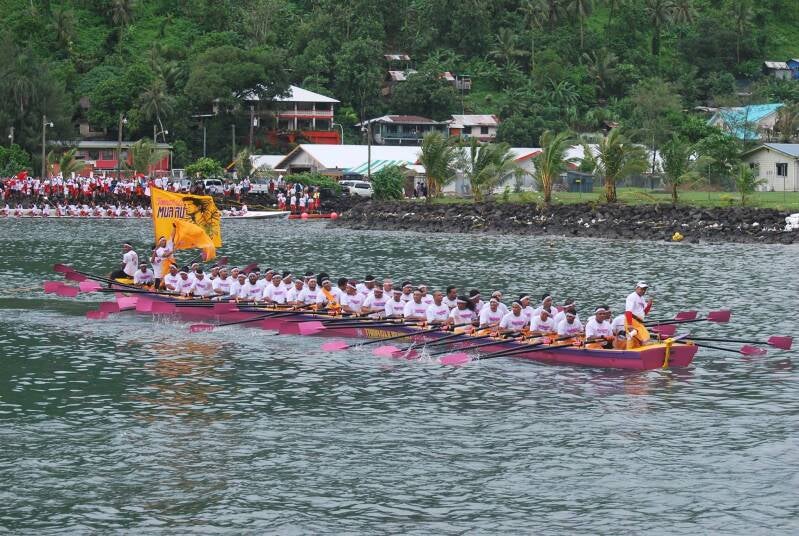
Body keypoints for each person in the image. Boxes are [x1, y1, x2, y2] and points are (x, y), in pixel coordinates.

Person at [624, 281, 653, 348]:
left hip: (639, 322)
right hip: (632, 320)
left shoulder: (642, 298)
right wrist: (629, 324)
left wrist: (649, 305)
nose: (643, 291)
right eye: (641, 289)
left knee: (635, 341)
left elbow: (644, 313)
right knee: (645, 337)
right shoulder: (632, 297)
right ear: (636, 288)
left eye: (644, 289)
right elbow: (628, 311)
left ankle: (631, 352)